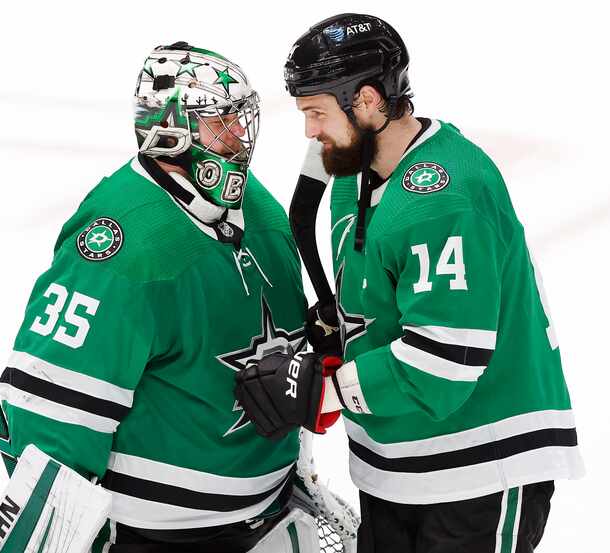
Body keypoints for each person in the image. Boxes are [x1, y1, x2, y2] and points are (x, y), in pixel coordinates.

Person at [234, 14, 585, 553]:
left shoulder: (442, 197)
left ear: (369, 101)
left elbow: (446, 361)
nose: (309, 132)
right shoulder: (358, 171)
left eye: (317, 113)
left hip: (480, 467)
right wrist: (341, 329)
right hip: (399, 466)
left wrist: (326, 392)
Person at [0, 42, 326, 553]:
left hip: (270, 517)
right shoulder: (121, 248)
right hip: (163, 537)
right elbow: (53, 415)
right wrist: (49, 528)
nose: (239, 136)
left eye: (241, 119)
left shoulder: (258, 208)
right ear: (170, 126)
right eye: (221, 121)